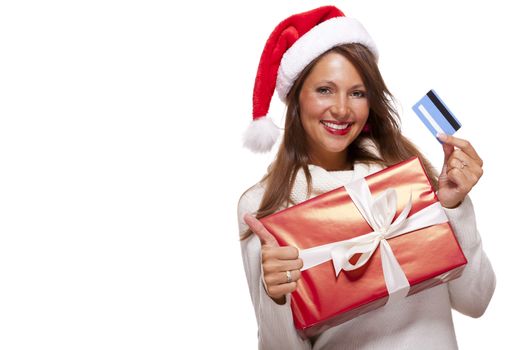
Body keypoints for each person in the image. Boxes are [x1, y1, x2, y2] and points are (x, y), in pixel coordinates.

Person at [237, 6, 495, 350]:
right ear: (296, 98)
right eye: (325, 90)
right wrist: (276, 297)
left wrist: (454, 207)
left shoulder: (407, 176)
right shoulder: (266, 206)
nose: (342, 109)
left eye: (357, 93)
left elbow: (475, 302)